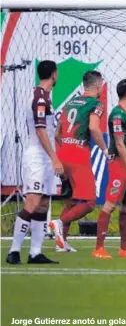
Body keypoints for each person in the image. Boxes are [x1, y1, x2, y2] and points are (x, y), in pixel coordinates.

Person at [6, 61, 62, 265]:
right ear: (54, 75)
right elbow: (39, 130)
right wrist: (54, 157)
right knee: (32, 201)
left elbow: (46, 128)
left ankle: (35, 252)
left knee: (43, 204)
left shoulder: (45, 97)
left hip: (45, 157)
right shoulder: (39, 97)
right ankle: (14, 251)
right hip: (37, 157)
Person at [50, 71, 107, 253]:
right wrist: (105, 150)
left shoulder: (70, 103)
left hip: (63, 153)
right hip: (78, 155)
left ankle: (62, 243)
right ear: (98, 86)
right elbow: (93, 128)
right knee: (89, 202)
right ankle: (60, 222)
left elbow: (57, 133)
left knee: (73, 200)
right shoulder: (96, 104)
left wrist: (64, 148)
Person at [93, 79, 126, 259]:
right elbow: (119, 144)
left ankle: (125, 248)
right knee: (110, 205)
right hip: (120, 166)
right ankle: (99, 248)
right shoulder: (117, 115)